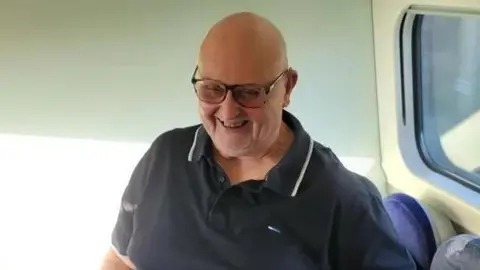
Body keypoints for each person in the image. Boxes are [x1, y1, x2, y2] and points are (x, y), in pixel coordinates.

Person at [100, 12, 417, 270]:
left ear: (288, 88)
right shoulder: (164, 156)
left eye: (248, 92)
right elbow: (121, 259)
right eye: (212, 89)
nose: (227, 111)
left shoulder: (346, 201)